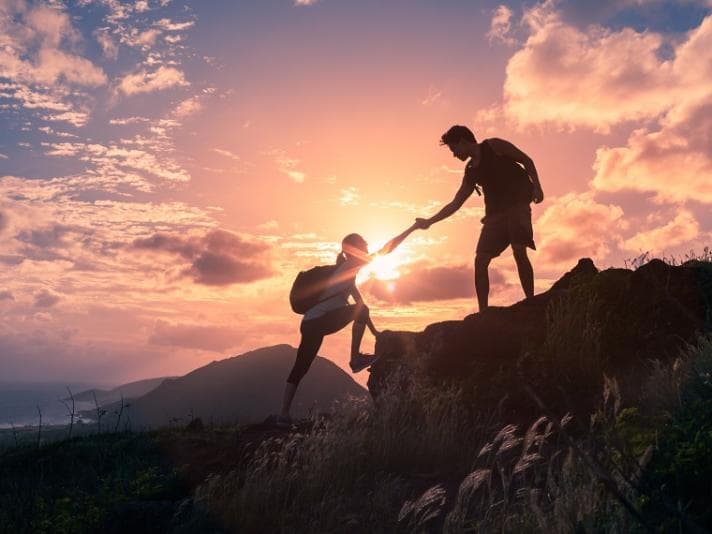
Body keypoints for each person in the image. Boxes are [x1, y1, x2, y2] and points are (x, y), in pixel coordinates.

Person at [278, 225, 417, 424]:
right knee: (302, 366)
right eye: (364, 244)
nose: (368, 246)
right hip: (319, 321)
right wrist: (412, 228)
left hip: (310, 322)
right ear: (354, 249)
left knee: (301, 367)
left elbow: (361, 306)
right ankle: (355, 359)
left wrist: (374, 331)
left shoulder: (345, 274)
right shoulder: (351, 265)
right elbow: (387, 249)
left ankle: (283, 414)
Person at [415, 125, 544, 312]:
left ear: (462, 142)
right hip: (494, 217)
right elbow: (456, 203)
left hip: (517, 206)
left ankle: (531, 303)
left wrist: (538, 187)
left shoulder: (494, 146)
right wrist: (429, 221)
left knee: (519, 250)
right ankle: (483, 313)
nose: (454, 154)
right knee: (480, 260)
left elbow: (526, 160)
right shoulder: (470, 171)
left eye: (453, 149)